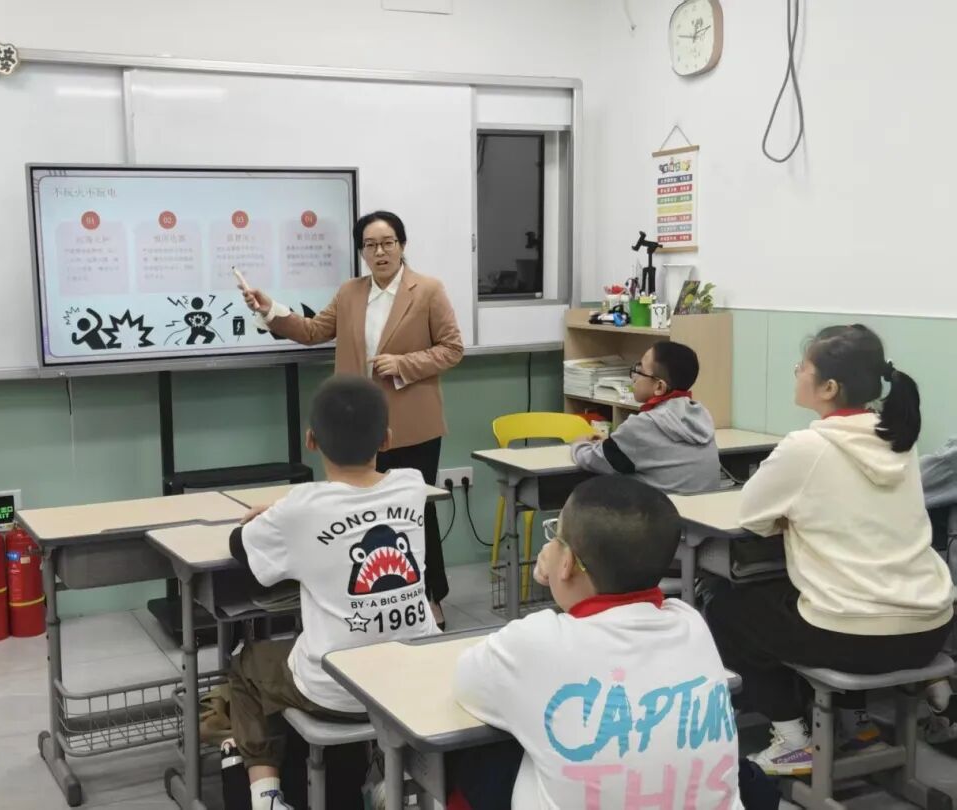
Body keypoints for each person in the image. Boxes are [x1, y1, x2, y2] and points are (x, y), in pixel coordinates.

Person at [706, 324, 956, 776]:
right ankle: (856, 722)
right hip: (931, 628)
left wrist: (791, 518)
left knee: (728, 608)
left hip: (857, 639)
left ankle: (793, 740)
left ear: (829, 387)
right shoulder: (898, 439)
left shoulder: (807, 446)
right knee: (827, 596)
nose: (796, 373)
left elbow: (752, 516)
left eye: (802, 367)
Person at [453, 477, 741, 809]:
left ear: (566, 563)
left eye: (555, 536)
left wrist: (558, 577)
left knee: (479, 757)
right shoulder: (691, 623)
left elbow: (466, 682)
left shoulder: (535, 643)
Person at [240, 211, 463, 628]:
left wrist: (404, 364)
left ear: (402, 245)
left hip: (413, 423)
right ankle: (369, 595)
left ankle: (430, 596)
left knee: (416, 509)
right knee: (359, 508)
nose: (380, 252)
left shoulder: (428, 290)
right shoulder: (350, 292)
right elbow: (311, 331)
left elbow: (452, 348)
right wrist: (271, 310)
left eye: (388, 242)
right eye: (371, 245)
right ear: (362, 251)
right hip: (358, 424)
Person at [226, 375, 439, 810]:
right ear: (387, 439)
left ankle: (266, 797)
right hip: (415, 680)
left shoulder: (301, 507)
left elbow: (239, 546)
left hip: (333, 692)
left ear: (311, 440)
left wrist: (278, 515)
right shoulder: (412, 484)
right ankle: (394, 780)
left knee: (247, 665)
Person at [570, 341, 720, 493]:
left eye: (639, 371)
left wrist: (580, 443)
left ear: (659, 387)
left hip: (659, 507)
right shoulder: (700, 415)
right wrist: (613, 442)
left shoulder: (643, 425)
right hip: (703, 507)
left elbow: (592, 460)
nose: (634, 378)